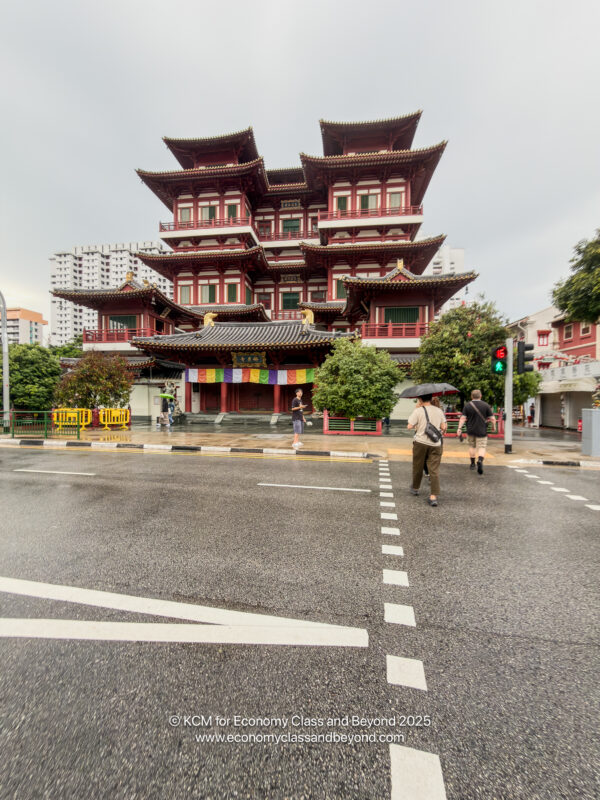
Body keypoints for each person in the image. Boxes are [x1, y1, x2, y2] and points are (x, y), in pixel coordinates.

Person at [407, 394, 447, 507]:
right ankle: (433, 496)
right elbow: (444, 427)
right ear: (431, 399)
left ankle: (415, 488)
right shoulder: (439, 411)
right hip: (436, 443)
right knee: (433, 470)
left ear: (420, 399)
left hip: (420, 443)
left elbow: (409, 426)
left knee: (418, 466)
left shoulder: (418, 411)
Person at [456, 389, 496, 474]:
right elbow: (492, 419)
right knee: (482, 447)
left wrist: (459, 428)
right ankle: (480, 460)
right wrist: (493, 427)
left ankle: (472, 464)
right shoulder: (486, 405)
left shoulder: (467, 405)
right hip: (482, 430)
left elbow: (463, 418)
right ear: (480, 396)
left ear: (471, 396)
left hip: (470, 429)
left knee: (472, 446)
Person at [423, 396, 443, 479]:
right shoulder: (440, 411)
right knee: (435, 458)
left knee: (424, 457)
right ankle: (433, 473)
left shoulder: (422, 410)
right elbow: (444, 427)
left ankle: (427, 471)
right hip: (436, 438)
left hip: (423, 439)